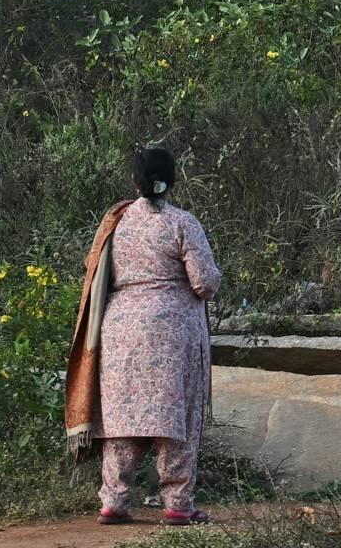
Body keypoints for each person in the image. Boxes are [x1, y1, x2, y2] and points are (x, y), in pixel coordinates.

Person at [70, 148, 221, 526]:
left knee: (123, 417)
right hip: (172, 332)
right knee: (176, 419)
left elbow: (94, 270)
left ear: (134, 182)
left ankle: (115, 502)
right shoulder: (182, 223)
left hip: (120, 329)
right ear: (172, 181)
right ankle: (177, 504)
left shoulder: (115, 225)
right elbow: (204, 283)